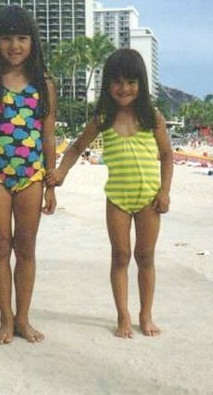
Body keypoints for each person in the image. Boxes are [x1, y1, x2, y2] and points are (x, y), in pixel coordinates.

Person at [47, 49, 173, 338]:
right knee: (120, 256)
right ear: (107, 86)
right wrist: (60, 173)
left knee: (145, 257)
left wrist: (165, 192)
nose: (124, 89)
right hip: (116, 198)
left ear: (141, 83)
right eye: (116, 82)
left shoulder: (152, 118)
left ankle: (146, 314)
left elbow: (167, 155)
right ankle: (123, 316)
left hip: (149, 200)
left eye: (130, 82)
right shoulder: (103, 118)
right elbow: (77, 147)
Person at [0, 6, 57, 345]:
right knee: (0, 244)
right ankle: (5, 318)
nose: (15, 45)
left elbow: (48, 136)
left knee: (27, 247)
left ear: (33, 42)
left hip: (31, 175)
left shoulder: (43, 85)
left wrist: (50, 183)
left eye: (22, 38)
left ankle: (23, 319)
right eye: (6, 38)